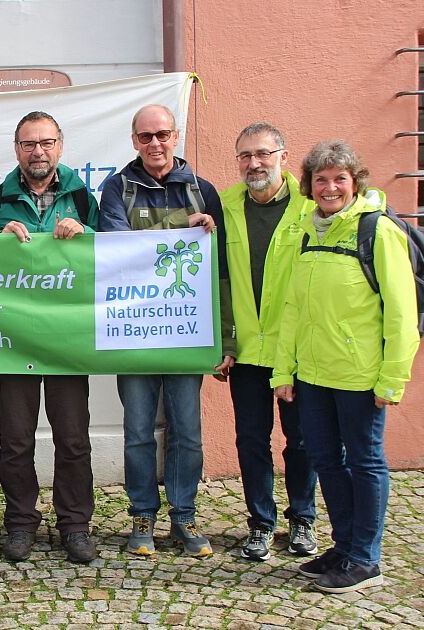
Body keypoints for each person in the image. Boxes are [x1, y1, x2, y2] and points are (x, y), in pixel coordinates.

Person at [271, 140, 419, 593]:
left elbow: (401, 312)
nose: (330, 187)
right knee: (324, 460)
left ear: (355, 183)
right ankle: (343, 545)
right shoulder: (309, 232)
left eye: (339, 179)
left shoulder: (377, 232)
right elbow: (293, 307)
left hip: (360, 376)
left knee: (365, 461)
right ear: (309, 186)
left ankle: (365, 558)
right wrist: (283, 371)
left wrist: (392, 377)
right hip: (313, 375)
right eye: (321, 179)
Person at [99, 103, 235, 558]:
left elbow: (221, 271)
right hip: (134, 331)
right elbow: (119, 247)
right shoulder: (116, 188)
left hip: (185, 332)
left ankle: (184, 515)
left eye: (162, 134)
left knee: (186, 431)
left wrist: (226, 338)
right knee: (138, 430)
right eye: (145, 136)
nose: (154, 144)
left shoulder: (203, 190)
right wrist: (181, 225)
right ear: (133, 140)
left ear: (175, 136)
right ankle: (142, 513)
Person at [0, 111, 100, 564]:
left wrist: (86, 234)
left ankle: (75, 526)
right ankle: (21, 524)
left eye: (45, 143)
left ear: (60, 146)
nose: (38, 151)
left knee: (72, 439)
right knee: (16, 441)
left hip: (66, 341)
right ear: (17, 150)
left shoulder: (83, 198)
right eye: (29, 144)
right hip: (12, 340)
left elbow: (109, 256)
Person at [220, 122, 318, 561]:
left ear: (283, 155)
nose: (254, 163)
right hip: (246, 351)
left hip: (294, 351)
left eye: (262, 154)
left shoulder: (310, 208)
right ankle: (261, 523)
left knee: (300, 440)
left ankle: (303, 521)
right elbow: (214, 278)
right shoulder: (223, 206)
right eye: (245, 156)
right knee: (251, 440)